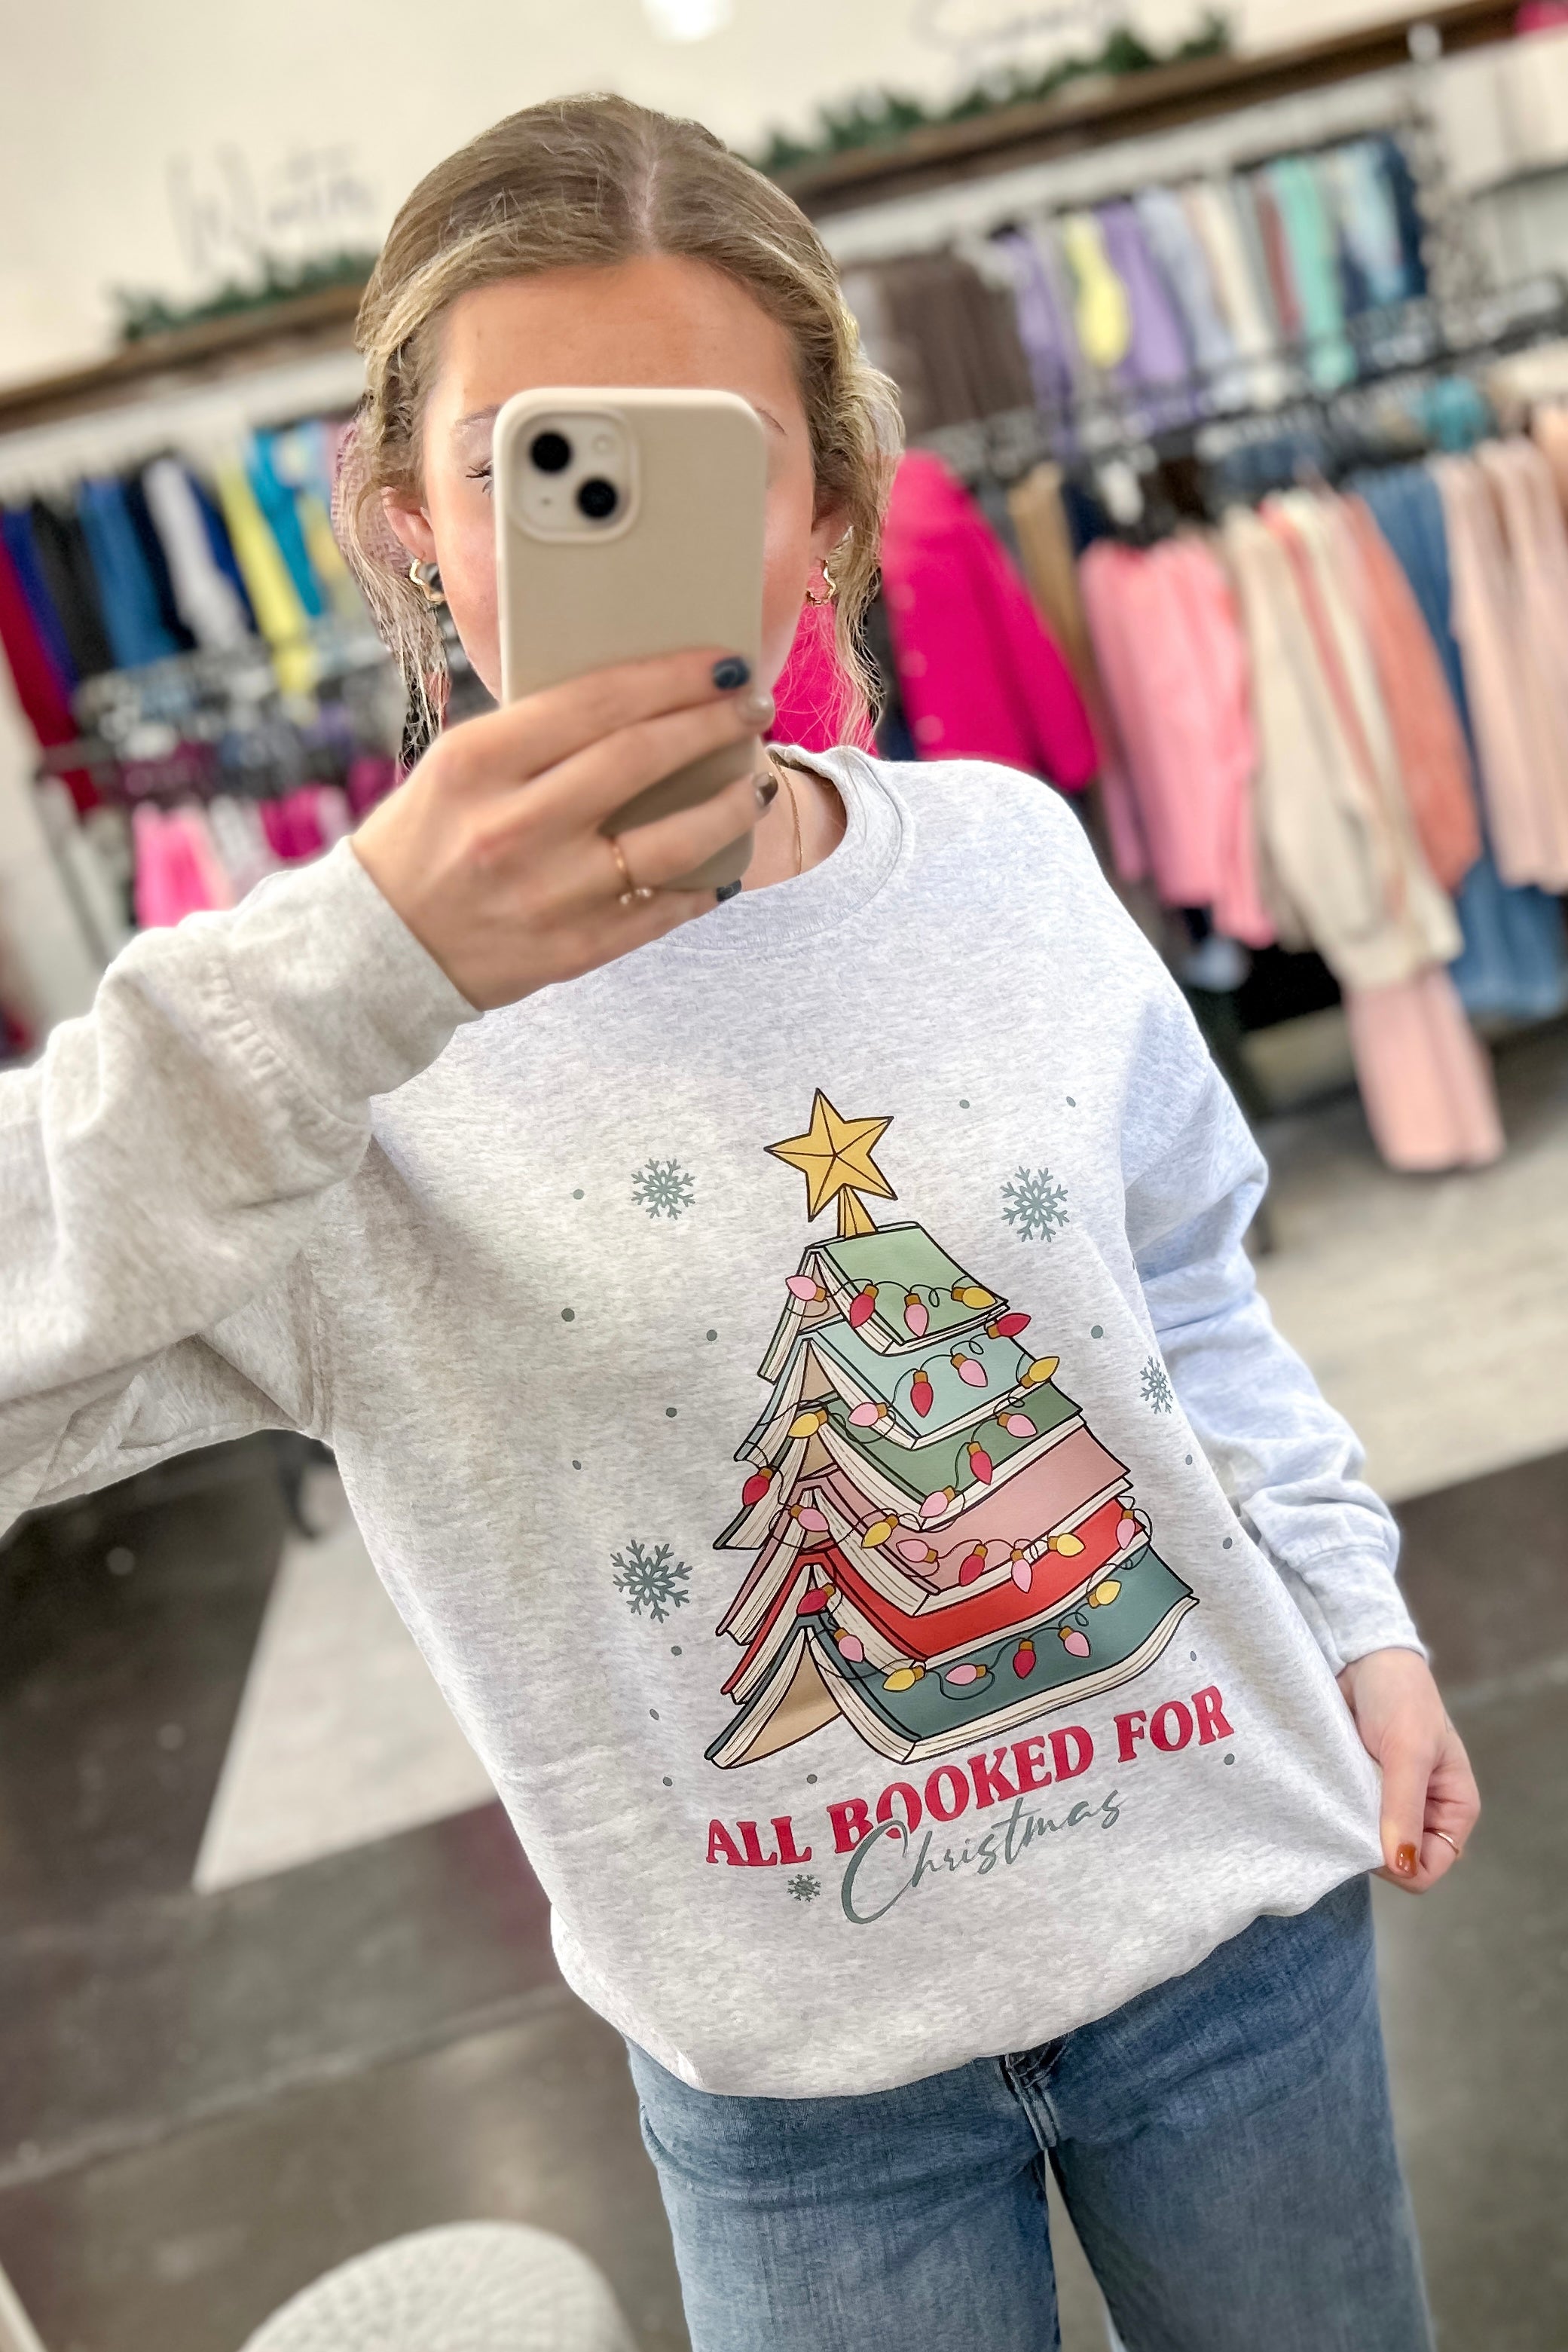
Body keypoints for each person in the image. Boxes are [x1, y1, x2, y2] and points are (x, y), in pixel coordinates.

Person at [1, 95, 1478, 2352]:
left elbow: (1185, 1285)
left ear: (825, 510)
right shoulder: (318, 1052)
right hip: (800, 2099)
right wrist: (360, 972)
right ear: (407, 521)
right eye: (532, 461)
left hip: (1240, 1940)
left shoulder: (1000, 859)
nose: (610, 527)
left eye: (705, 460)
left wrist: (1356, 1613)